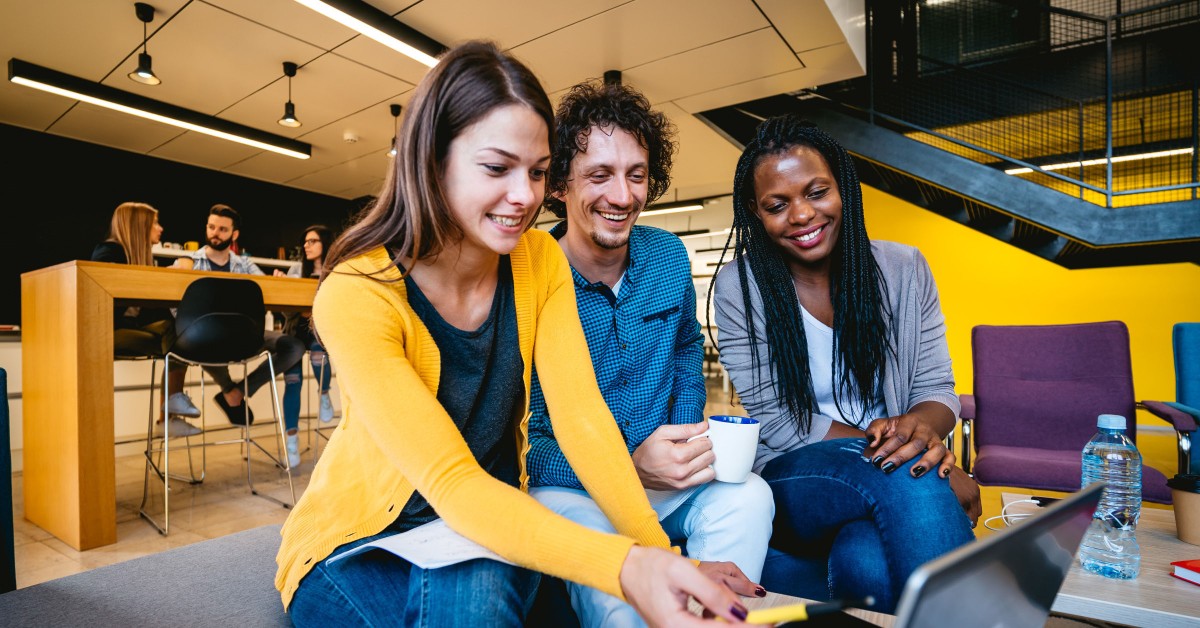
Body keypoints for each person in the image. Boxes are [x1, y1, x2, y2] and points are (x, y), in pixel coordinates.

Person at [275, 41, 754, 627]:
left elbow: (583, 421)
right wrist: (632, 565)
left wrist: (664, 556)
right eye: (498, 168)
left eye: (537, 171)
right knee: (479, 592)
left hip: (495, 524)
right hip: (366, 540)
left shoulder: (537, 261)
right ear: (432, 160)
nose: (525, 197)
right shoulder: (358, 292)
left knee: (498, 584)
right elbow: (452, 482)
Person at [710, 115, 982, 613]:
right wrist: (908, 455)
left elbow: (938, 389)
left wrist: (918, 434)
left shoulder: (904, 269)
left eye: (816, 192)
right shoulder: (740, 289)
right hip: (796, 472)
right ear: (756, 212)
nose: (801, 215)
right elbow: (778, 422)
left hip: (897, 469)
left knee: (865, 562)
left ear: (842, 186)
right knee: (906, 480)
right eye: (777, 205)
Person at [527, 80, 774, 626]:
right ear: (560, 185)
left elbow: (687, 347)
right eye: (599, 175)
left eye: (636, 175)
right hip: (571, 488)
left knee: (750, 495)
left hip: (663, 479)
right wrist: (628, 465)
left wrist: (683, 440)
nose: (622, 196)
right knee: (621, 600)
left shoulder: (666, 255)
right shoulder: (529, 272)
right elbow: (523, 442)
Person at [178, 204, 305, 430]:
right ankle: (229, 390)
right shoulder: (189, 263)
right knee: (203, 339)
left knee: (294, 346)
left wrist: (276, 280)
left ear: (234, 234)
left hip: (244, 335)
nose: (215, 233)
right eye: (211, 227)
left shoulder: (244, 264)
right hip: (204, 337)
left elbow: (266, 291)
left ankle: (237, 392)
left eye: (222, 229)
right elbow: (176, 306)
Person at [92, 201, 202, 437]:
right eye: (155, 223)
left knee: (180, 331)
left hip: (130, 329)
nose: (160, 228)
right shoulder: (108, 253)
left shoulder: (141, 258)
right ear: (139, 226)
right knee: (178, 338)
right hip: (105, 333)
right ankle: (170, 413)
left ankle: (169, 414)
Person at [271, 224, 336, 467]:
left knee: (319, 354)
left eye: (312, 241)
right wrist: (283, 287)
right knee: (293, 382)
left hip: (318, 331)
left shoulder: (335, 272)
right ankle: (291, 440)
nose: (306, 246)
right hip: (295, 332)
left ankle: (324, 393)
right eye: (305, 242)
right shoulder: (296, 270)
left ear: (325, 244)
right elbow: (285, 310)